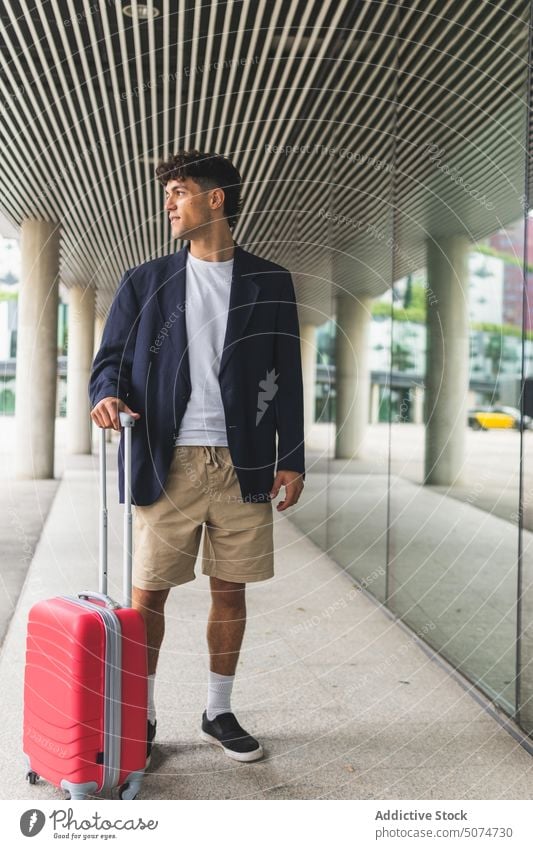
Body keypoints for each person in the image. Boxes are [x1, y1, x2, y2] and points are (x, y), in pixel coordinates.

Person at [89, 150, 305, 767]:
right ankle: (144, 713)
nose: (168, 204)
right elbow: (109, 363)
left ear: (216, 200)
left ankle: (218, 709)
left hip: (245, 463)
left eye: (178, 191)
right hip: (167, 458)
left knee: (230, 591)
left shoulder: (271, 281)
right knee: (148, 595)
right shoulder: (145, 281)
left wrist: (290, 456)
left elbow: (286, 373)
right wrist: (106, 396)